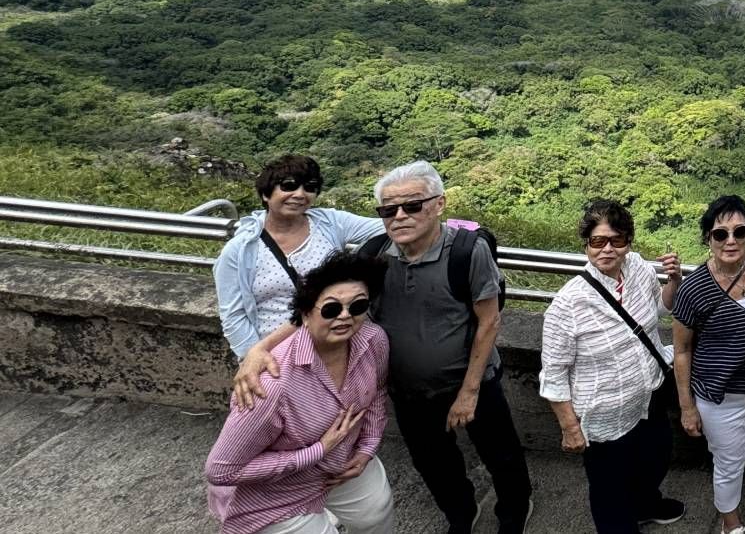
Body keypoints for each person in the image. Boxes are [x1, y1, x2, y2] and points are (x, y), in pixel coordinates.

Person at [237, 160, 533, 534]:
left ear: (439, 204)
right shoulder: (374, 255)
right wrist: (259, 349)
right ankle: (460, 514)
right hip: (406, 389)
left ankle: (515, 510)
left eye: (413, 205)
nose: (400, 217)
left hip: (472, 381)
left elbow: (488, 320)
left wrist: (469, 392)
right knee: (433, 462)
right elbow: (325, 309)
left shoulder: (467, 253)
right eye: (389, 210)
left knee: (500, 454)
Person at [205, 249, 394, 534]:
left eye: (357, 307)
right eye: (331, 309)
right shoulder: (271, 385)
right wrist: (317, 451)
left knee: (376, 514)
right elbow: (221, 470)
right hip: (276, 491)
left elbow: (377, 394)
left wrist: (367, 447)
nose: (345, 317)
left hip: (342, 464)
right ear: (304, 315)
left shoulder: (372, 341)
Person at [541, 198, 688, 531]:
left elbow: (658, 308)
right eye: (597, 241)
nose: (607, 249)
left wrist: (674, 281)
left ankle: (645, 505)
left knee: (656, 458)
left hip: (649, 394)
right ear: (586, 244)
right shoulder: (568, 304)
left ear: (628, 243)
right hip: (604, 415)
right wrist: (569, 427)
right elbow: (553, 375)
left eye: (616, 240)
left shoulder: (638, 267)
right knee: (610, 492)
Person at [671, 195, 745, 534]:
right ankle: (730, 523)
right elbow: (681, 349)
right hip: (718, 394)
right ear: (708, 238)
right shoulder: (694, 288)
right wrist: (686, 407)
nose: (731, 240)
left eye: (740, 231)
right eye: (720, 234)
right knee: (729, 462)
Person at [214, 154, 385, 360]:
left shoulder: (329, 223)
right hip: (279, 356)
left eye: (310, 187)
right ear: (266, 194)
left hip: (335, 348)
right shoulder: (241, 250)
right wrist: (254, 358)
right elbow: (234, 316)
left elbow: (391, 225)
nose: (300, 194)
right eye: (289, 186)